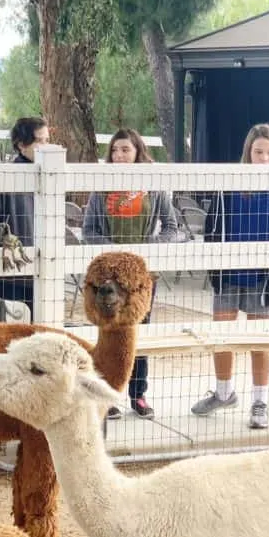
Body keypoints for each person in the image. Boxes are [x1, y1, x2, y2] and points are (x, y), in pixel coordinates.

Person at [191, 123, 269, 430]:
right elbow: (212, 230)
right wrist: (216, 272)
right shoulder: (228, 187)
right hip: (229, 275)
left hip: (264, 280)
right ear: (247, 154)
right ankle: (224, 393)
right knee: (222, 336)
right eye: (258, 152)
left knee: (258, 341)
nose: (264, 158)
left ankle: (259, 401)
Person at [82, 128, 178, 419]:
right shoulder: (101, 189)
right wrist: (114, 256)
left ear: (138, 152)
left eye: (126, 149)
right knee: (109, 334)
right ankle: (109, 395)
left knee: (140, 334)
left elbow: (171, 227)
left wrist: (147, 253)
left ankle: (139, 394)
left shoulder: (154, 187)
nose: (120, 155)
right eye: (115, 150)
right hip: (109, 279)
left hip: (140, 278)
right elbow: (89, 230)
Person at [0, 116, 50, 318]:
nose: (46, 146)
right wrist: (6, 248)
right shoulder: (6, 177)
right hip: (12, 277)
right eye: (40, 141)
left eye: (47, 140)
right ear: (21, 144)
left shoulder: (51, 177)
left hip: (44, 272)